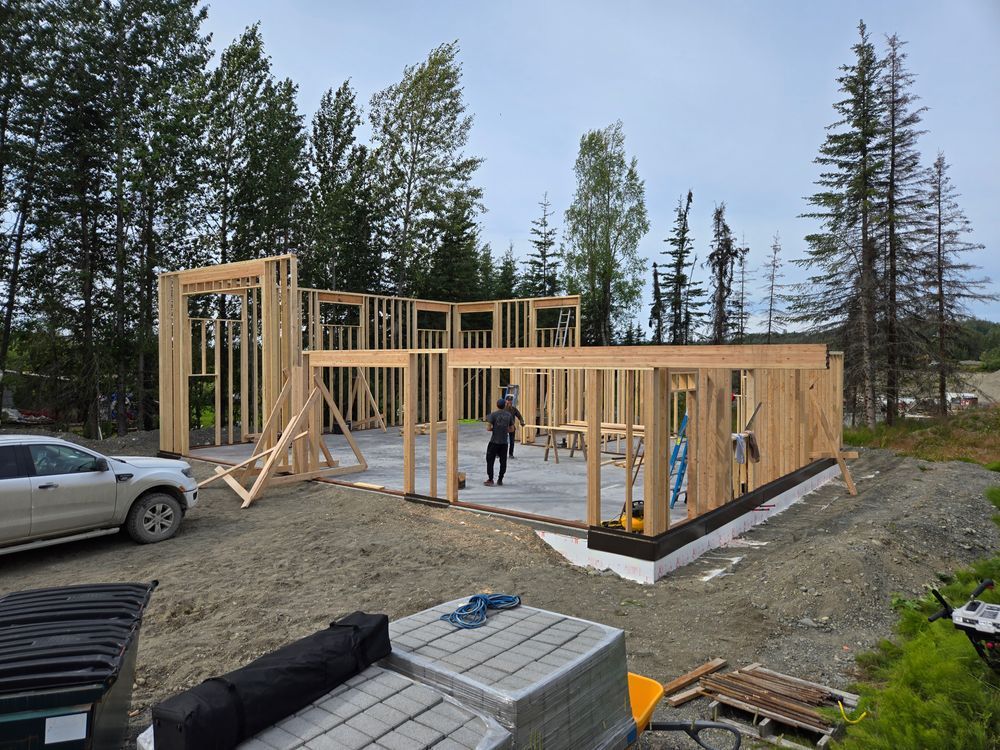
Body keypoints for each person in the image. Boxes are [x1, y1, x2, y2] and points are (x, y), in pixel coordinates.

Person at [484, 398, 515, 486]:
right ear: (504, 405)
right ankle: (500, 479)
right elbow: (512, 429)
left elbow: (488, 428)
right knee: (503, 462)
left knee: (490, 460)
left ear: (497, 405)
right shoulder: (508, 415)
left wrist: (495, 429)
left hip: (494, 442)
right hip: (504, 443)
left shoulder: (493, 415)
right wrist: (504, 430)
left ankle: (490, 479)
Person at [504, 394, 525, 458]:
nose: (510, 402)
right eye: (508, 400)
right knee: (501, 441)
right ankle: (498, 453)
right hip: (504, 427)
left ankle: (511, 454)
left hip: (511, 427)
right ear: (506, 401)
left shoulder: (513, 409)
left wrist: (522, 422)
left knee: (512, 442)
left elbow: (519, 416)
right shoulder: (503, 409)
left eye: (511, 401)